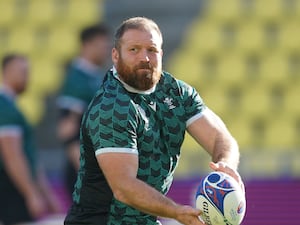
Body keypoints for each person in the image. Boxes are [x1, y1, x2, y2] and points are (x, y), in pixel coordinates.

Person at [64, 17, 244, 225]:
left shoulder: (177, 92)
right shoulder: (111, 106)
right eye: (134, 50)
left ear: (161, 54)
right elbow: (124, 188)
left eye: (152, 50)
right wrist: (176, 212)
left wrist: (226, 168)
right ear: (115, 55)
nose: (145, 58)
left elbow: (220, 138)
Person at [0, 54, 61, 225]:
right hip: (10, 188)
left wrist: (45, 193)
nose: (27, 77)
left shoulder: (10, 106)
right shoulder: (4, 108)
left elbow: (29, 157)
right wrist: (31, 194)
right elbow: (13, 156)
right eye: (23, 72)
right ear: (8, 72)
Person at [56, 23, 111, 197]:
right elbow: (68, 131)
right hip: (86, 170)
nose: (105, 51)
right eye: (102, 46)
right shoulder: (77, 80)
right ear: (87, 45)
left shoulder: (94, 76)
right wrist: (87, 174)